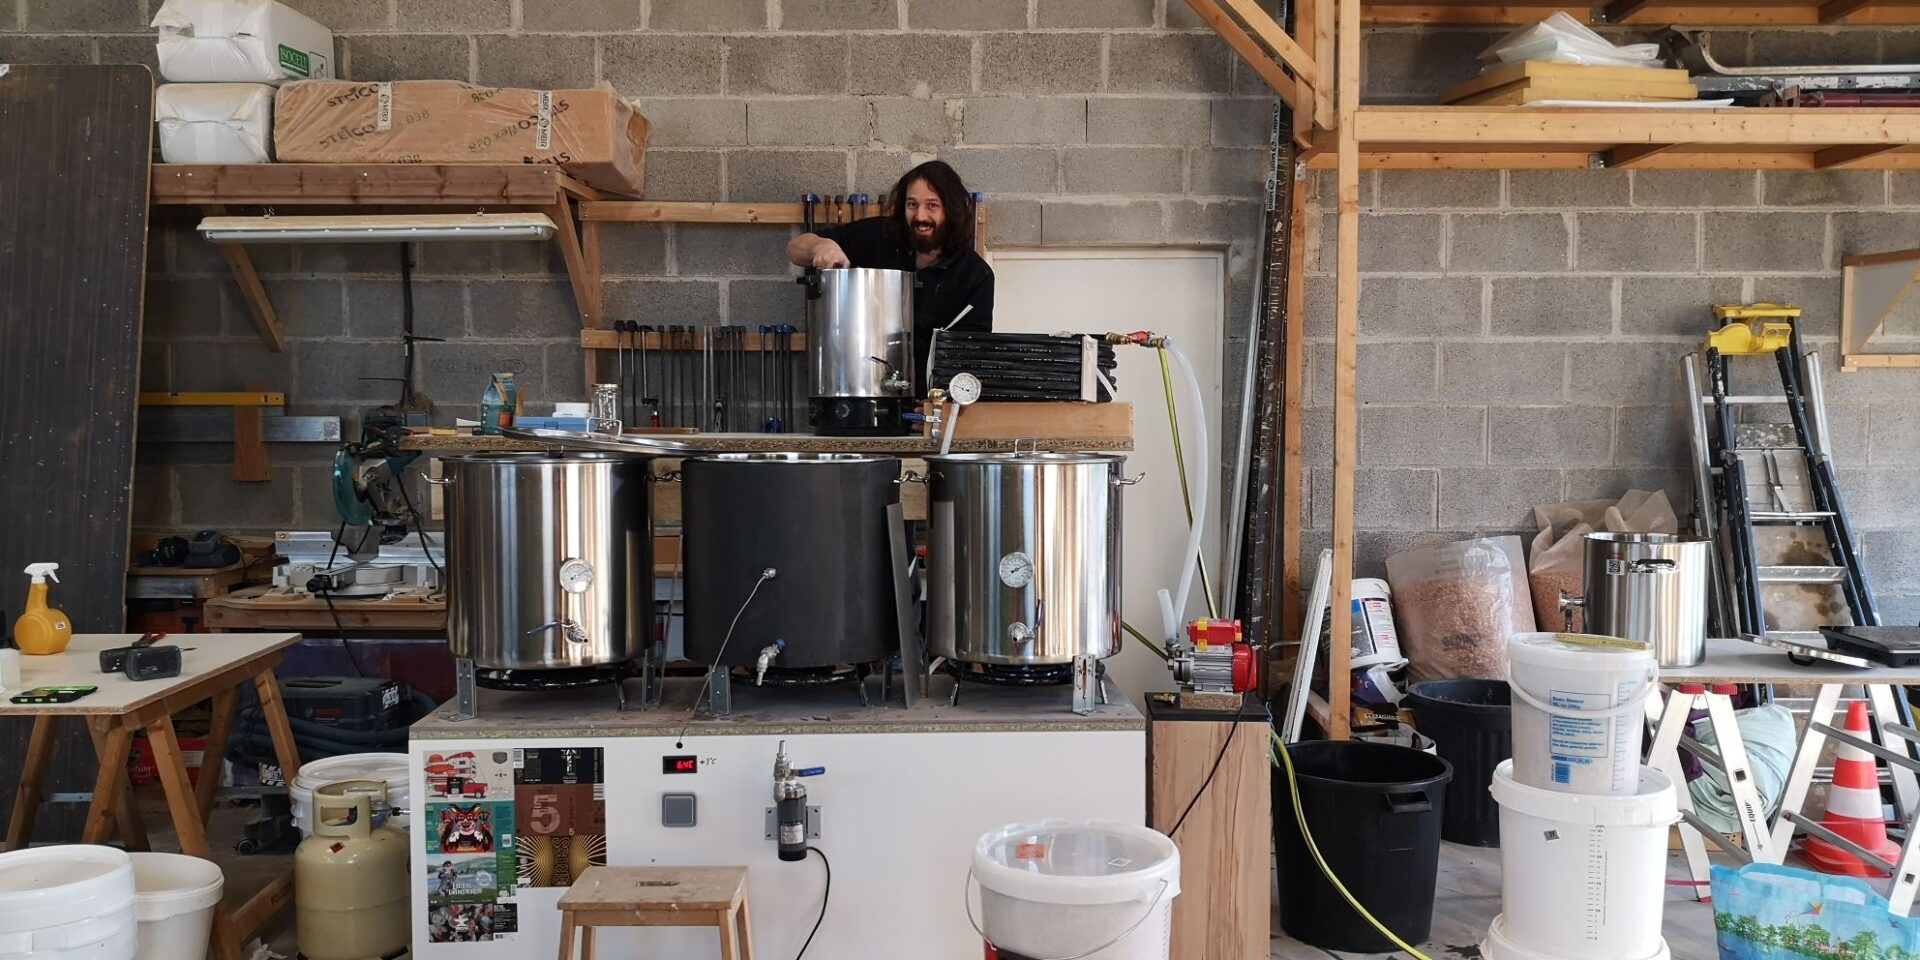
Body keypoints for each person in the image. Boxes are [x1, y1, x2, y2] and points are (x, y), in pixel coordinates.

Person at [785, 160, 994, 386]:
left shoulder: (975, 276)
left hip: (932, 401)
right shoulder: (877, 235)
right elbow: (794, 249)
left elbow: (971, 360)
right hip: (857, 391)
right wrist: (821, 246)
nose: (920, 216)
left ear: (951, 210)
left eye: (932, 205)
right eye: (912, 204)